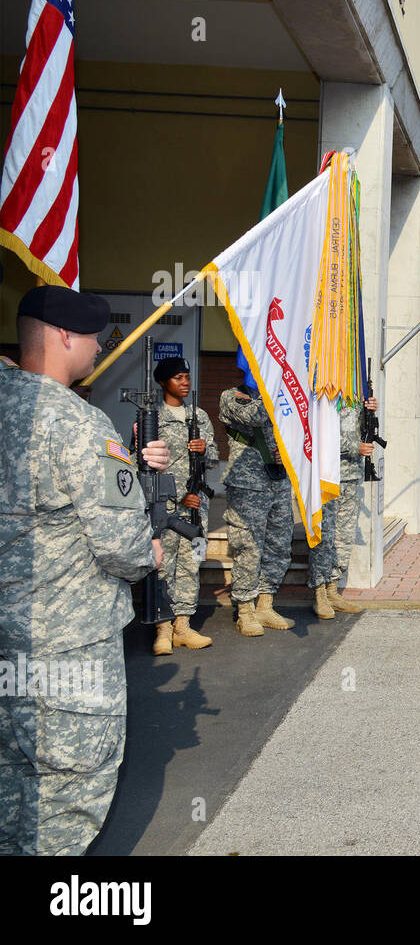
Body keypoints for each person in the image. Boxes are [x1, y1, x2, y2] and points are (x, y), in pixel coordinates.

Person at [0, 286, 169, 855]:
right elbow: (122, 547)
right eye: (94, 337)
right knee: (66, 800)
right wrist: (151, 553)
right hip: (66, 654)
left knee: (11, 790)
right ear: (66, 337)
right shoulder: (78, 424)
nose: (99, 347)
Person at [150, 357, 217, 654]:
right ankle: (163, 629)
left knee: (192, 563)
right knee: (163, 565)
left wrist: (205, 449)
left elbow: (214, 457)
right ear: (164, 382)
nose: (185, 382)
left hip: (195, 507)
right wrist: (177, 495)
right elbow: (143, 464)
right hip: (164, 506)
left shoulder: (199, 416)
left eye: (187, 377)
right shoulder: (152, 417)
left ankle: (183, 626)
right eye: (178, 377)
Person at [219, 385, 295, 636]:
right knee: (248, 547)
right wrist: (270, 392)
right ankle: (245, 610)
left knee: (279, 545)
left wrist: (288, 453)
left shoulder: (282, 396)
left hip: (278, 482)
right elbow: (255, 416)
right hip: (248, 484)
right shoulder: (232, 397)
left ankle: (265, 603)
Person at [307, 396, 378, 618]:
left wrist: (371, 411)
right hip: (327, 477)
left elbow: (365, 432)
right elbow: (319, 436)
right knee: (323, 536)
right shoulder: (321, 398)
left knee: (344, 537)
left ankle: (332, 590)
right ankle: (319, 593)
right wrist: (354, 447)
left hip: (351, 476)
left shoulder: (355, 400)